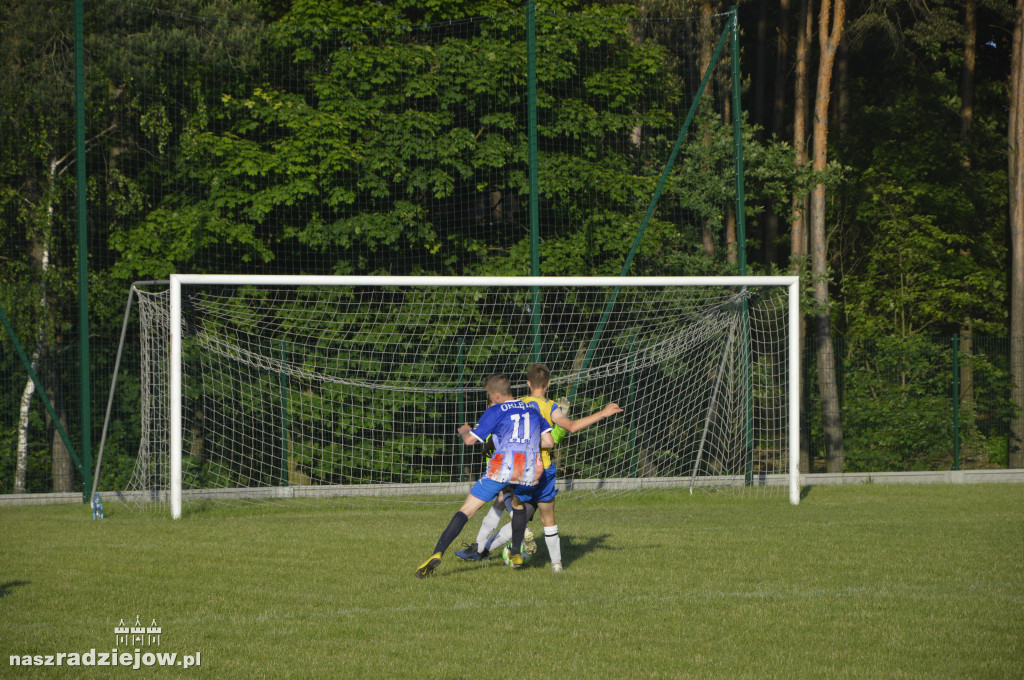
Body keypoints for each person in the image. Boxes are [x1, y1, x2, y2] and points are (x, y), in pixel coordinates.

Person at [456, 363, 622, 572]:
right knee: (546, 517)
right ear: (549, 383)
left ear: (527, 383)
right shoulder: (550, 407)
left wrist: (487, 446)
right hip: (541, 469)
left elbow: (497, 430)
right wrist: (602, 413)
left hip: (516, 467)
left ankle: (483, 548)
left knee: (505, 504)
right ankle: (556, 565)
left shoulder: (518, 403)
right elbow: (569, 428)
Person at [415, 373, 553, 578]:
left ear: (496, 395)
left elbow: (470, 441)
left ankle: (438, 551)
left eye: (489, 394)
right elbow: (549, 442)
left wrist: (464, 430)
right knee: (518, 504)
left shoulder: (496, 410)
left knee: (467, 510)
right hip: (530, 468)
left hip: (503, 465)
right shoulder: (532, 409)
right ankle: (516, 553)